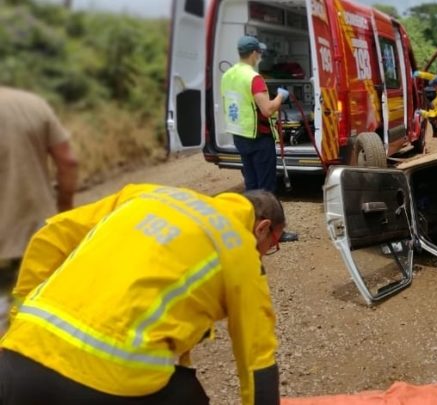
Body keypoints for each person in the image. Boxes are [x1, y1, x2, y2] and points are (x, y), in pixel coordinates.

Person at [0, 184, 286, 405]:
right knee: (187, 394)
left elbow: (50, 234)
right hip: (106, 383)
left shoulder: (144, 194)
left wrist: (20, 314)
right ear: (262, 229)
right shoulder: (239, 249)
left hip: (17, 359)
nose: (264, 254)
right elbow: (257, 361)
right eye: (270, 246)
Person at [0, 86, 78, 294]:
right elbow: (68, 162)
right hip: (41, 235)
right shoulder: (32, 104)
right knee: (50, 304)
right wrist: (64, 211)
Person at [222, 36, 298, 242]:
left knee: (251, 185)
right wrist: (281, 96)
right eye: (260, 53)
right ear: (254, 53)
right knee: (266, 189)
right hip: (258, 136)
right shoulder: (253, 78)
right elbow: (268, 109)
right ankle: (274, 233)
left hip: (240, 135)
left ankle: (251, 228)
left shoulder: (228, 75)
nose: (261, 56)